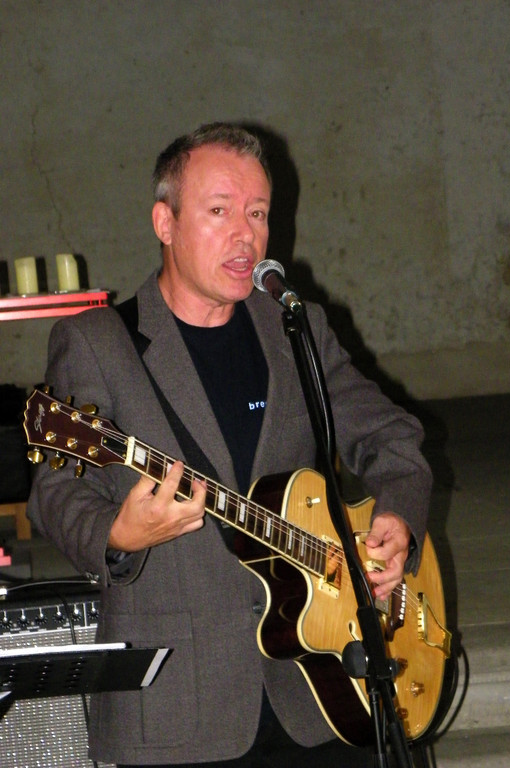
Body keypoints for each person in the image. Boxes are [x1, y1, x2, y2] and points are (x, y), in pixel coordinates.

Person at [27, 122, 433, 767]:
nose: (246, 234)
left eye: (258, 213)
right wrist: (118, 535)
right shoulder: (100, 343)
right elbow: (55, 492)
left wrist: (397, 518)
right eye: (220, 211)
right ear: (165, 223)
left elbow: (390, 436)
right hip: (181, 709)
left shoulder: (294, 328)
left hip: (321, 692)